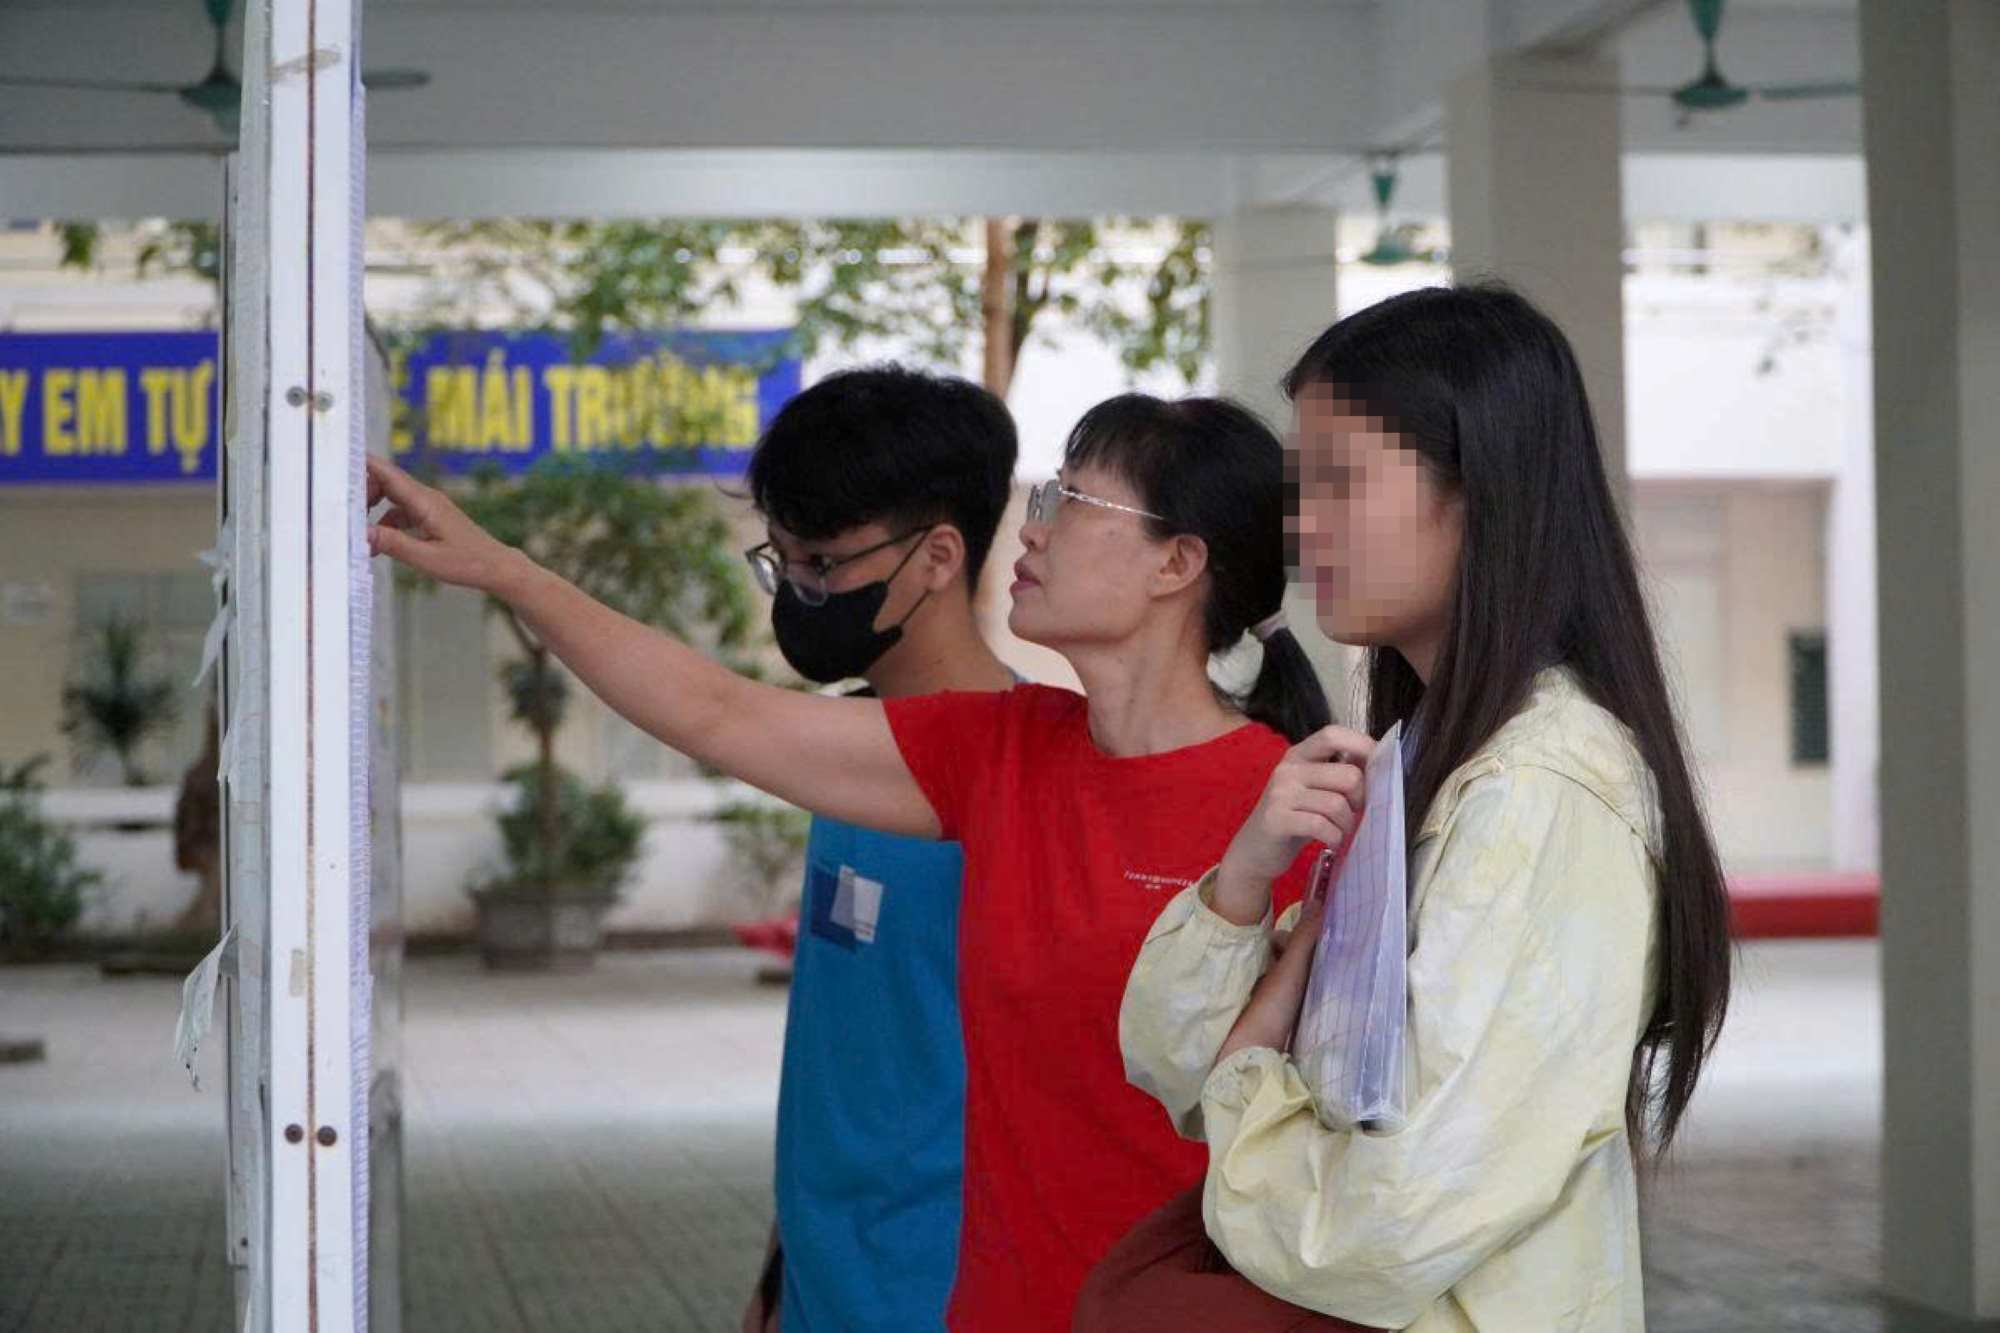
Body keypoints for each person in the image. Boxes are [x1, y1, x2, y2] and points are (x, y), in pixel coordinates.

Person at [366, 391, 1352, 1330]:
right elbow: (718, 713)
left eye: (1069, 500)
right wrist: (506, 571)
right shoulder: (998, 751)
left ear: (1175, 562)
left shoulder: (1293, 810)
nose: (1032, 527)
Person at [1086, 284, 1734, 1332]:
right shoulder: (1421, 757)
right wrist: (1245, 880)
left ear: (1483, 491)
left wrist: (1249, 1072)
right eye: (1301, 488)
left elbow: (1382, 1221)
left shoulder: (1540, 788)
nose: (1304, 528)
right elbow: (1170, 1067)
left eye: (1342, 482)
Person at [734, 365, 1018, 1333]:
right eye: (781, 563)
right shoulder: (845, 759)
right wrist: (780, 1267)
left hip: (950, 1288)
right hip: (820, 1281)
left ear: (938, 556)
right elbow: (840, 1047)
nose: (800, 592)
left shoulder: (1027, 774)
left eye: (821, 563)